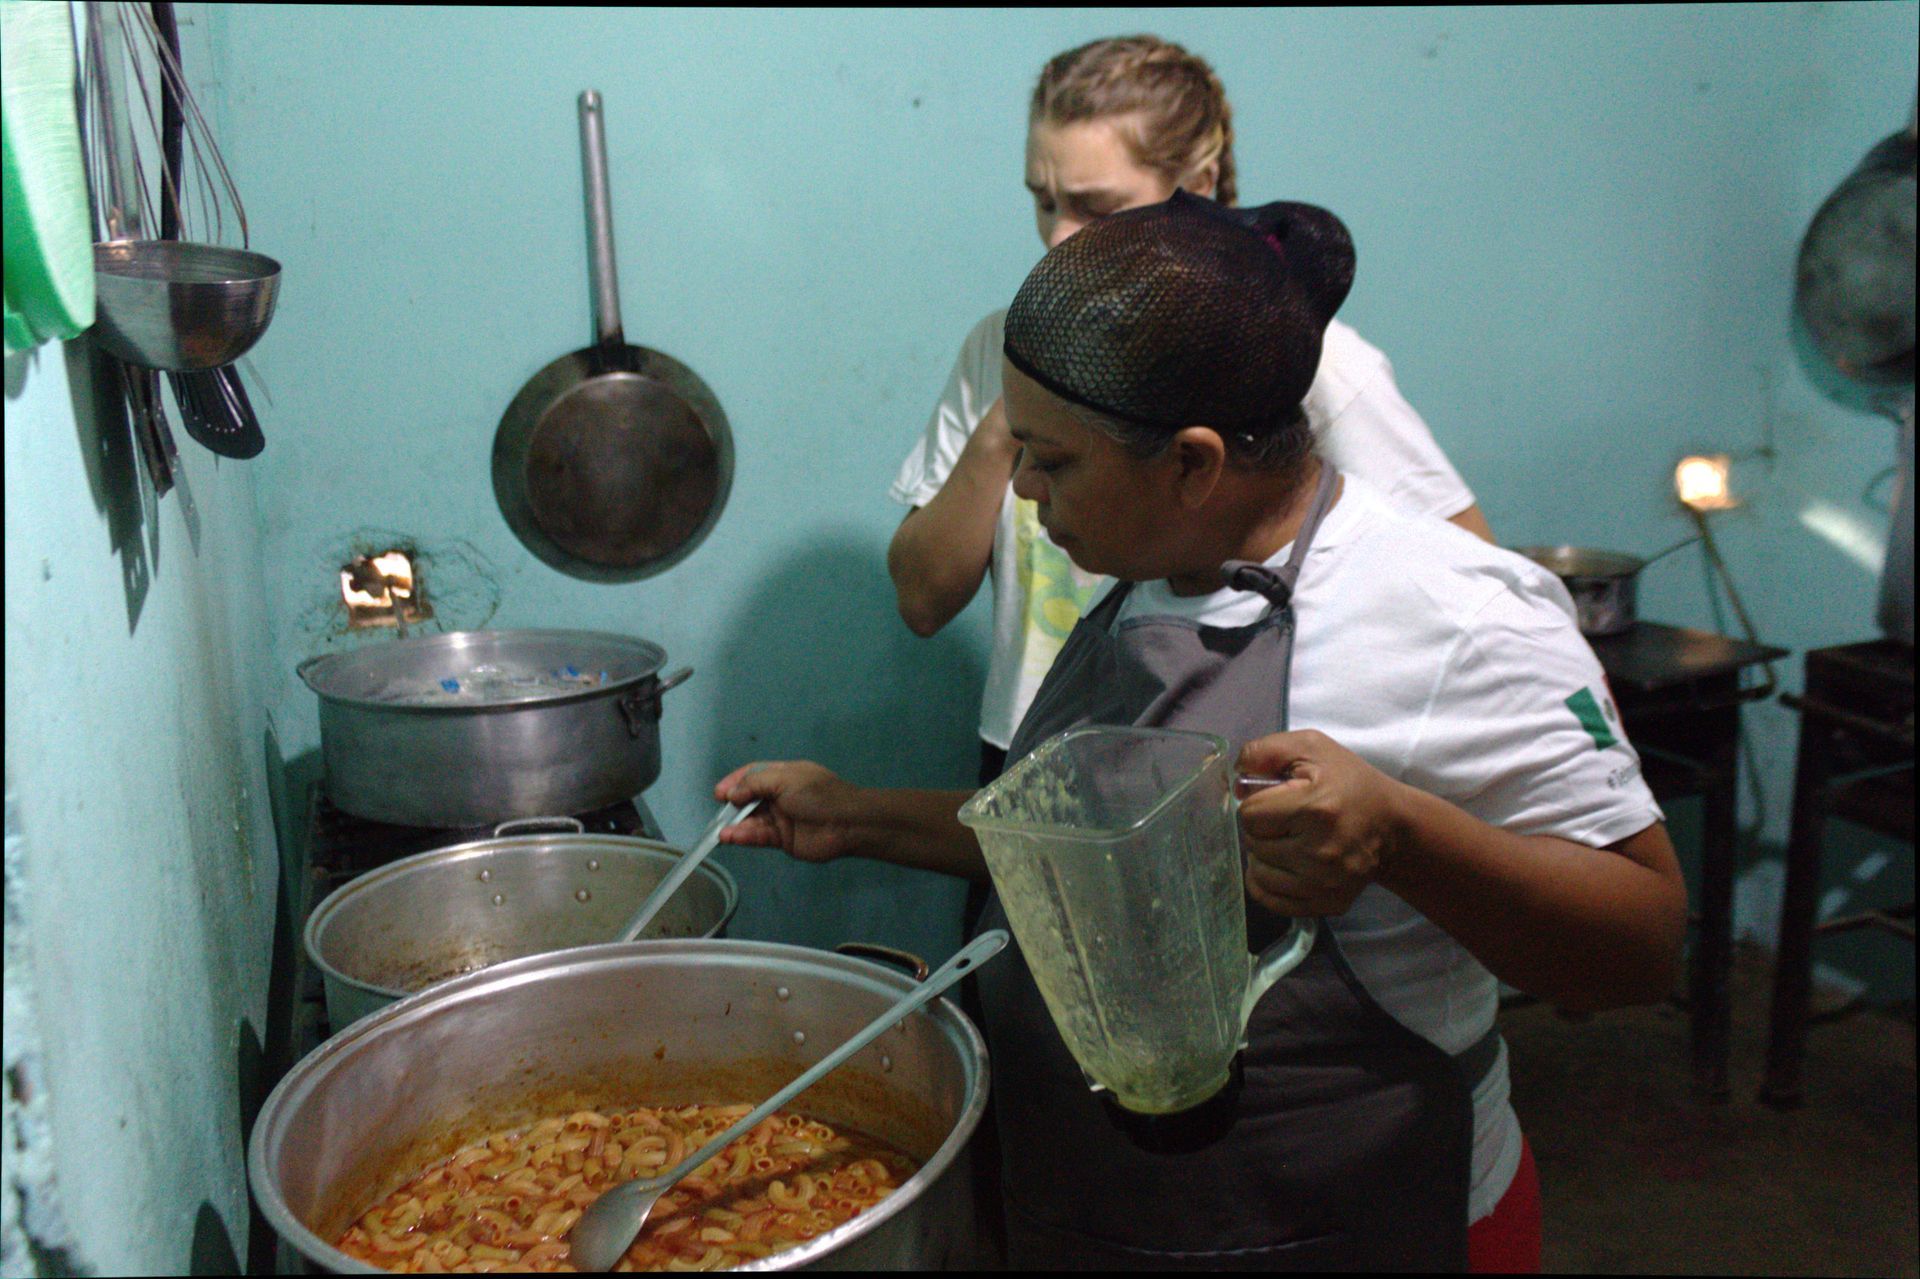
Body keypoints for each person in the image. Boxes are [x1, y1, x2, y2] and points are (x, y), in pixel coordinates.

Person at [718, 192, 1686, 1271]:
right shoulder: (1151, 581)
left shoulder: (1455, 616)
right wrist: (853, 815)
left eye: (1054, 461)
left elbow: (1643, 944)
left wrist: (1403, 837)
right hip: (1106, 1218)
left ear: (1192, 464)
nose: (1027, 494)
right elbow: (1088, 844)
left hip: (1356, 1225)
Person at [888, 34, 1493, 794]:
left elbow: (1462, 573)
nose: (1057, 238)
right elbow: (921, 599)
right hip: (1034, 744)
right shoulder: (1005, 348)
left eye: (1095, 206)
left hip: (1220, 762)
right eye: (1043, 202)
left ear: (1200, 183)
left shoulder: (1302, 357)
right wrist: (1015, 421)